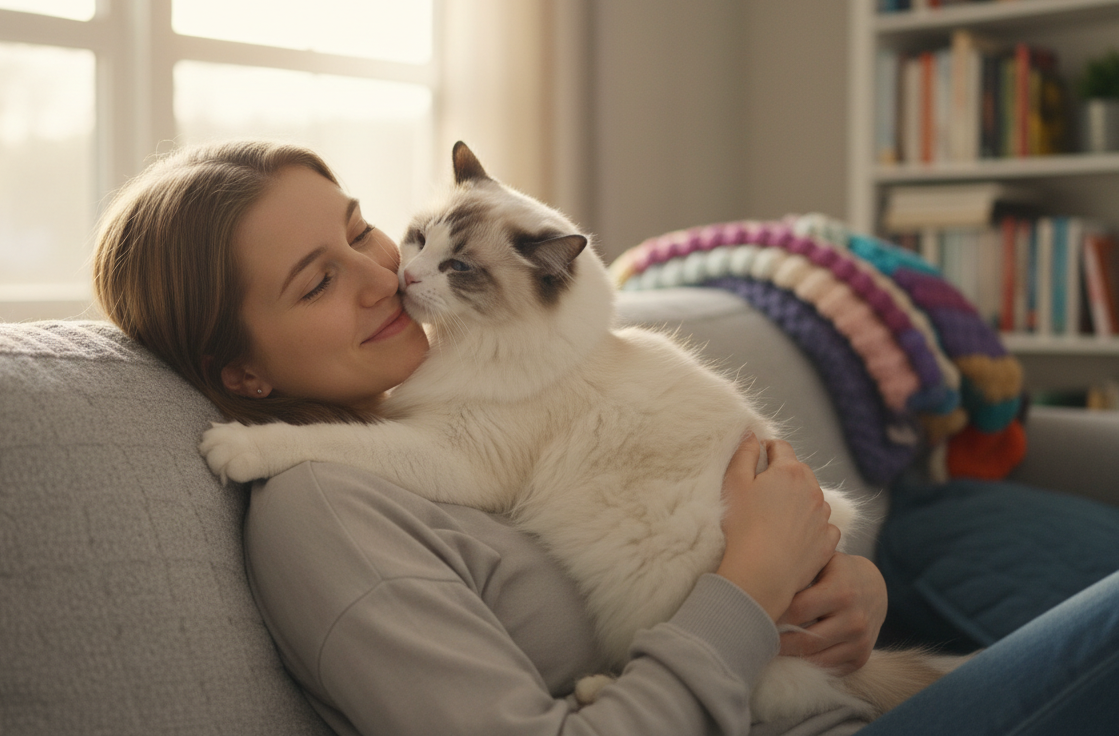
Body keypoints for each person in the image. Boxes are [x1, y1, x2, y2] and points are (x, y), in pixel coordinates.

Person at [92, 140, 1119, 736]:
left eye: (361, 229)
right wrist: (752, 584)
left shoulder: (494, 374)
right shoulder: (323, 507)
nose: (382, 276)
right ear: (244, 373)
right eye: (318, 281)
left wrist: (847, 592)